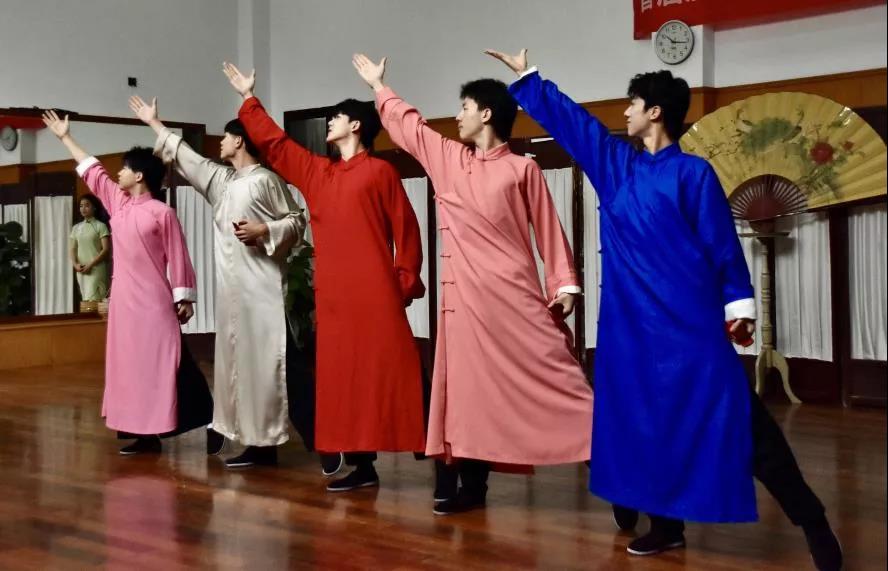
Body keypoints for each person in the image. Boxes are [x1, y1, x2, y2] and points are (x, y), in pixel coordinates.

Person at [489, 48, 842, 570]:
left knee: (744, 425)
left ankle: (812, 521)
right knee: (643, 426)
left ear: (655, 111)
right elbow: (574, 125)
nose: (624, 112)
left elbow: (722, 246)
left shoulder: (694, 174)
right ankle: (665, 526)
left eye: (632, 103)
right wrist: (529, 78)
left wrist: (738, 305)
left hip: (689, 330)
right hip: (630, 334)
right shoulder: (617, 168)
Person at [352, 53, 593, 515]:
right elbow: (411, 128)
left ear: (486, 113)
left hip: (516, 301)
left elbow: (549, 231)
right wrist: (380, 87)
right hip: (464, 307)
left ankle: (616, 466)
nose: (457, 115)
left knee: (561, 381)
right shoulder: (450, 159)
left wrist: (563, 287)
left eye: (464, 107)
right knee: (466, 396)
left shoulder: (522, 169)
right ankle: (470, 486)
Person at [223, 62, 428, 491]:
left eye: (337, 116)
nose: (330, 121)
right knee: (342, 380)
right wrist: (248, 98)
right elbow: (276, 145)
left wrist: (404, 282)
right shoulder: (319, 173)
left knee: (396, 368)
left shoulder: (381, 172)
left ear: (356, 125)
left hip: (376, 294)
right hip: (334, 298)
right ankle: (361, 465)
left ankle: (439, 450)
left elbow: (406, 230)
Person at [131, 96, 333, 471]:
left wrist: (264, 229)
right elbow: (191, 159)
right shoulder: (223, 182)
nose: (220, 143)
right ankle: (258, 444)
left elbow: (296, 220)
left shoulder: (266, 181)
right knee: (241, 371)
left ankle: (327, 443)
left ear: (239, 140)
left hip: (263, 294)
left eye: (225, 137)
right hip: (232, 296)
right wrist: (155, 124)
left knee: (282, 368)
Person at [42, 109, 217, 456]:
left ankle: (211, 422)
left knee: (170, 363)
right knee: (130, 368)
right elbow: (92, 171)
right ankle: (145, 436)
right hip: (124, 304)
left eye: (123, 168)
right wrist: (65, 137)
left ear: (139, 175)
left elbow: (178, 256)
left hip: (155, 304)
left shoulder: (163, 213)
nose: (117, 173)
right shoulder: (117, 204)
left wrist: (184, 297)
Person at [69, 194, 111, 304]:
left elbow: (106, 249)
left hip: (96, 269)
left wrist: (90, 265)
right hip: (81, 270)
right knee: (86, 301)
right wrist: (75, 264)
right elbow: (72, 248)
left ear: (94, 207)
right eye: (81, 206)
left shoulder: (101, 226)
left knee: (95, 301)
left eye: (87, 205)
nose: (83, 208)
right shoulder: (76, 228)